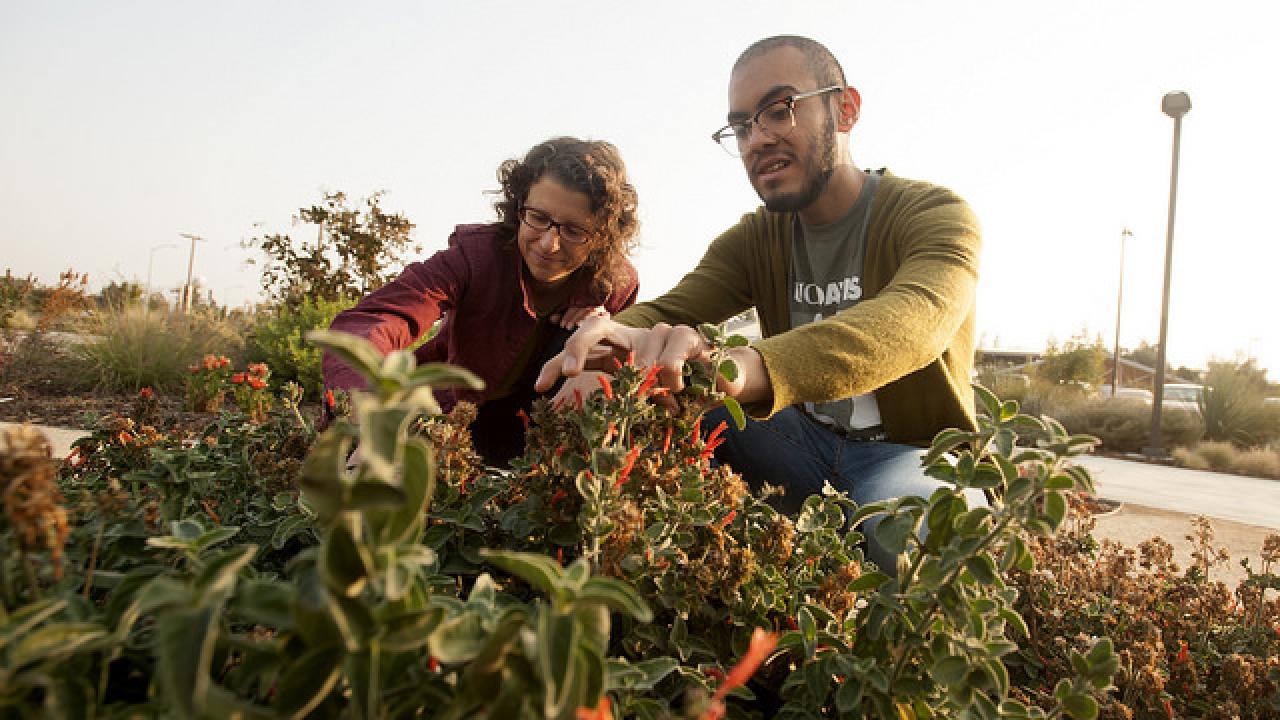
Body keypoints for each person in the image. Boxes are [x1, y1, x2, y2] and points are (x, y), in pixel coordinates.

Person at [534, 36, 983, 572]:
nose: (758, 139)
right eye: (743, 126)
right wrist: (605, 347)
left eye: (779, 110)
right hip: (795, 444)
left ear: (845, 109)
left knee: (921, 525)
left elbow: (912, 323)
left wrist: (741, 367)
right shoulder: (755, 239)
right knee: (658, 404)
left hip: (910, 457)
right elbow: (670, 310)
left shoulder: (934, 214)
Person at [323, 137, 640, 465]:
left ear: (603, 236)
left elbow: (617, 378)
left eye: (574, 231)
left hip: (533, 428)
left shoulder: (614, 286)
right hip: (447, 414)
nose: (549, 243)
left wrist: (603, 328)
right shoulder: (475, 256)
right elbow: (376, 322)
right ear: (519, 207)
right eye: (538, 217)